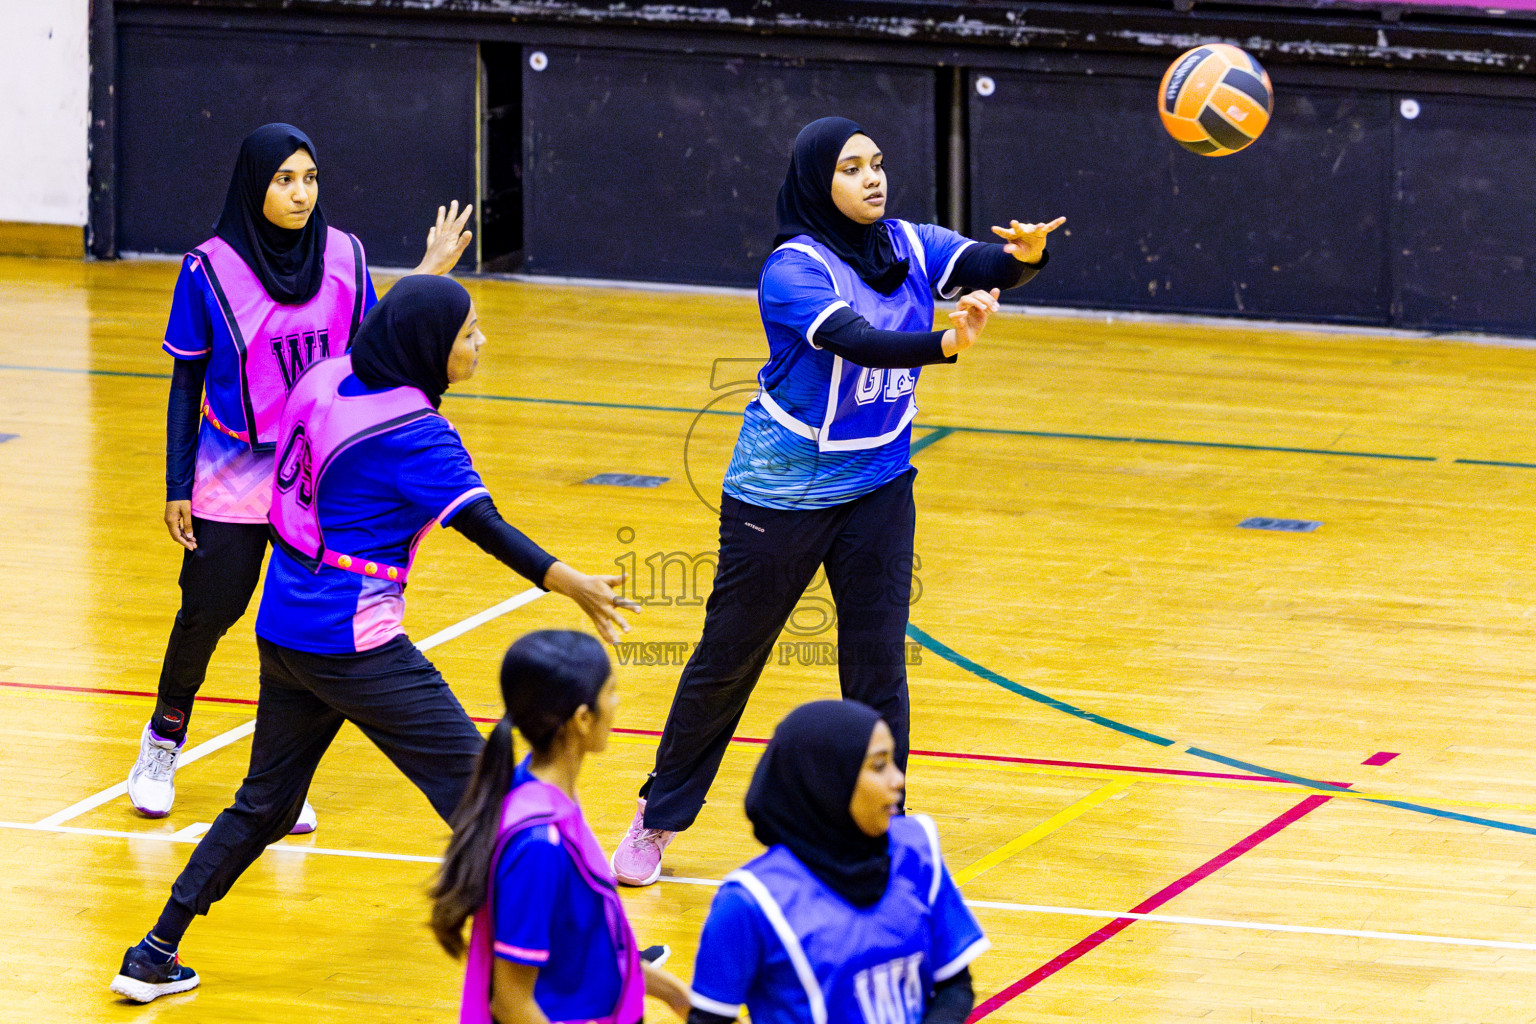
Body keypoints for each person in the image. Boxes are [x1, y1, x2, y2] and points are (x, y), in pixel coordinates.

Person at [109, 275, 639, 1004]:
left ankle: (152, 952)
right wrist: (567, 580)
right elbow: (481, 525)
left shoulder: (325, 379)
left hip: (286, 625)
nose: (481, 343)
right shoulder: (415, 434)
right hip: (355, 641)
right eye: (469, 334)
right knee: (491, 797)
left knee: (263, 805)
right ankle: (588, 952)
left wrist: (425, 271)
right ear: (428, 347)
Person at [611, 115, 1064, 885]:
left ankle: (874, 825)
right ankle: (659, 816)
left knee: (879, 663)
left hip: (880, 485)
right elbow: (859, 339)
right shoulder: (793, 268)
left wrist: (1026, 256)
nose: (873, 178)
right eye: (853, 168)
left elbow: (988, 263)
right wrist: (944, 346)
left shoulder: (910, 244)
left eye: (878, 164)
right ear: (820, 182)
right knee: (728, 662)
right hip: (780, 496)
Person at [127, 122, 475, 834]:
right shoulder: (208, 269)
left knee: (295, 632)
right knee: (208, 613)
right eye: (285, 179)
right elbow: (184, 379)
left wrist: (427, 272)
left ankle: (279, 781)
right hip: (230, 469)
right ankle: (162, 740)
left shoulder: (345, 255)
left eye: (309, 178)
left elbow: (374, 347)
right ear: (255, 186)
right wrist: (176, 484)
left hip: (313, 468)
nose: (300, 193)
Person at [431, 630, 692, 1023]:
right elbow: (512, 1003)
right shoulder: (538, 843)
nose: (617, 703)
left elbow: (585, 949)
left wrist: (672, 993)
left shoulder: (543, 795)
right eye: (611, 692)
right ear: (583, 719)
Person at [686, 700, 987, 1023]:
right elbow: (708, 1019)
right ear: (828, 780)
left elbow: (955, 984)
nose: (898, 779)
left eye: (893, 762)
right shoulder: (750, 901)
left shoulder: (916, 846)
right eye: (878, 766)